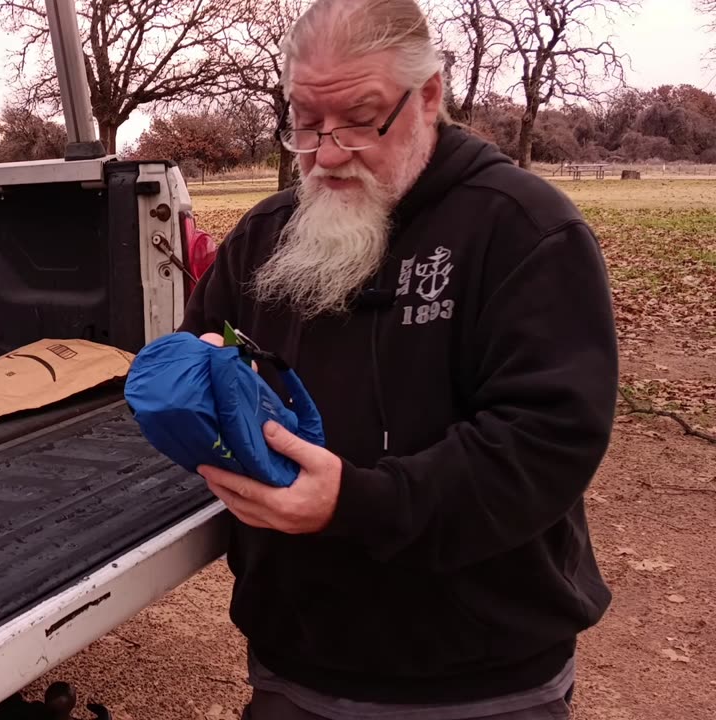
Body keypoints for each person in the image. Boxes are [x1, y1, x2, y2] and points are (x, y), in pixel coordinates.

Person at [175, 0, 619, 718]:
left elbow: (544, 444)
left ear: (430, 97)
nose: (326, 152)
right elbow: (203, 365)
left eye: (360, 117)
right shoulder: (262, 239)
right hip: (296, 661)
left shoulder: (526, 232)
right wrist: (191, 382)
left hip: (476, 676)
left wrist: (357, 502)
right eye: (306, 122)